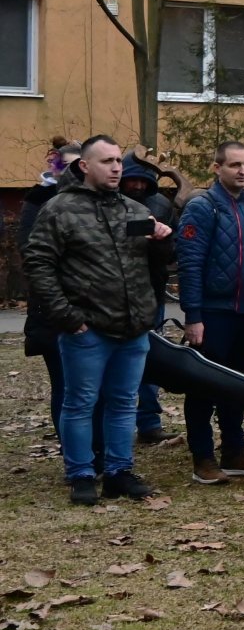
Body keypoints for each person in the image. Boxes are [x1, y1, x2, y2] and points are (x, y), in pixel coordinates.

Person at [23, 136, 173, 505]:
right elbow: (38, 263)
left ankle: (119, 472)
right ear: (84, 166)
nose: (116, 168)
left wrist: (161, 241)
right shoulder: (60, 209)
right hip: (86, 329)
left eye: (118, 161)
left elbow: (156, 265)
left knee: (123, 402)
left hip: (133, 329)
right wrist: (66, 316)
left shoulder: (134, 210)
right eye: (107, 161)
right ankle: (81, 475)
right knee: (80, 403)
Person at [176, 141, 244, 486]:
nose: (243, 171)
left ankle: (234, 451)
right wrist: (193, 315)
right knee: (204, 386)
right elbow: (190, 264)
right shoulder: (202, 207)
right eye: (235, 165)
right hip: (214, 312)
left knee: (237, 383)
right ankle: (203, 458)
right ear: (217, 168)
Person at [21, 144, 90, 448]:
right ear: (56, 167)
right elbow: (33, 258)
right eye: (68, 166)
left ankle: (93, 449)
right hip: (53, 312)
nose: (74, 173)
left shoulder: (95, 200)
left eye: (80, 166)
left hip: (91, 311)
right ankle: (73, 452)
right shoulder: (40, 202)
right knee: (64, 384)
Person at [120, 153, 176, 446]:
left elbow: (172, 254)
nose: (138, 186)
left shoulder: (161, 206)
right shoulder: (108, 205)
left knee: (149, 359)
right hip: (115, 296)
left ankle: (149, 422)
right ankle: (117, 426)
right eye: (132, 180)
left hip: (152, 293)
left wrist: (161, 240)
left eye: (144, 181)